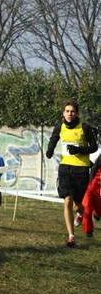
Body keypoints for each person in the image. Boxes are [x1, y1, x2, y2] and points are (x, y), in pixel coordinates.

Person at [46, 98, 97, 247]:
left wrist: (79, 150)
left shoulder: (84, 127)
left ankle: (80, 213)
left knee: (77, 205)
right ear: (63, 113)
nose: (70, 114)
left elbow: (93, 147)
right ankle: (71, 236)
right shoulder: (60, 126)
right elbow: (53, 139)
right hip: (65, 168)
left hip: (81, 169)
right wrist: (49, 150)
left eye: (72, 111)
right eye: (67, 111)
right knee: (67, 199)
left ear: (76, 113)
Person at [80, 128, 101, 237]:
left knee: (98, 206)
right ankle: (88, 230)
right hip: (85, 182)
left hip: (97, 182)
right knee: (86, 205)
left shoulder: (100, 151)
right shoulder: (81, 149)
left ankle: (97, 213)